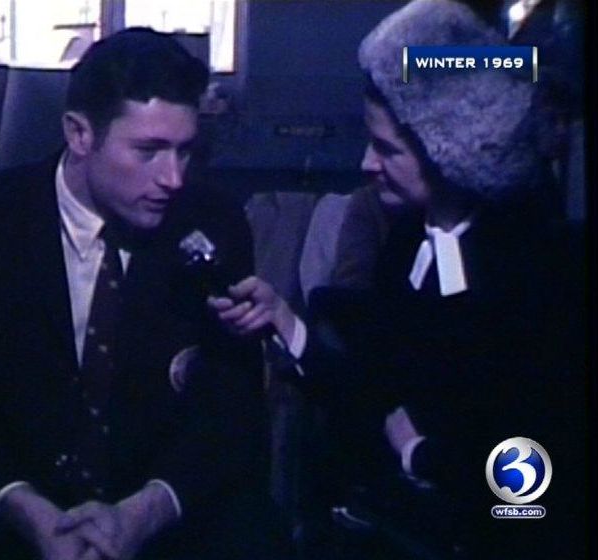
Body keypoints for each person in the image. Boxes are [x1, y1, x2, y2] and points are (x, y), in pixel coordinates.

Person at [0, 28, 290, 560]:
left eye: (184, 151)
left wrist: (145, 512)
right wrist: (24, 509)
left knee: (258, 538)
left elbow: (228, 404)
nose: (173, 178)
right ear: (79, 134)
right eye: (148, 151)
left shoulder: (213, 221)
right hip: (15, 487)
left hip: (153, 492)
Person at [211, 1, 586, 558]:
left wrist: (421, 456)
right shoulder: (406, 240)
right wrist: (285, 322)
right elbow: (374, 387)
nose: (366, 163)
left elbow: (534, 483)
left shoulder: (543, 273)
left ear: (450, 150)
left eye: (387, 149)